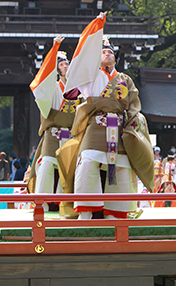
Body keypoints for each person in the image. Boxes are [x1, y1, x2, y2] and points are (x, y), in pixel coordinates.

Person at [59, 13, 154, 220]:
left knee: (120, 168)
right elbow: (73, 83)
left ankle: (115, 211)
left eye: (110, 51)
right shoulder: (90, 75)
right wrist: (97, 28)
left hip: (119, 128)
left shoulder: (125, 78)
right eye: (103, 51)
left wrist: (131, 124)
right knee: (88, 163)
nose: (107, 54)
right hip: (96, 126)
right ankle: (86, 210)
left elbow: (134, 103)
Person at [28, 38, 80, 202]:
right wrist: (55, 47)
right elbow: (44, 79)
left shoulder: (77, 90)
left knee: (68, 169)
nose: (66, 66)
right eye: (62, 65)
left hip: (71, 135)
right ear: (57, 70)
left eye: (67, 64)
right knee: (48, 165)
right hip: (54, 133)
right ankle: (41, 203)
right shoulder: (54, 87)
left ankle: (63, 203)